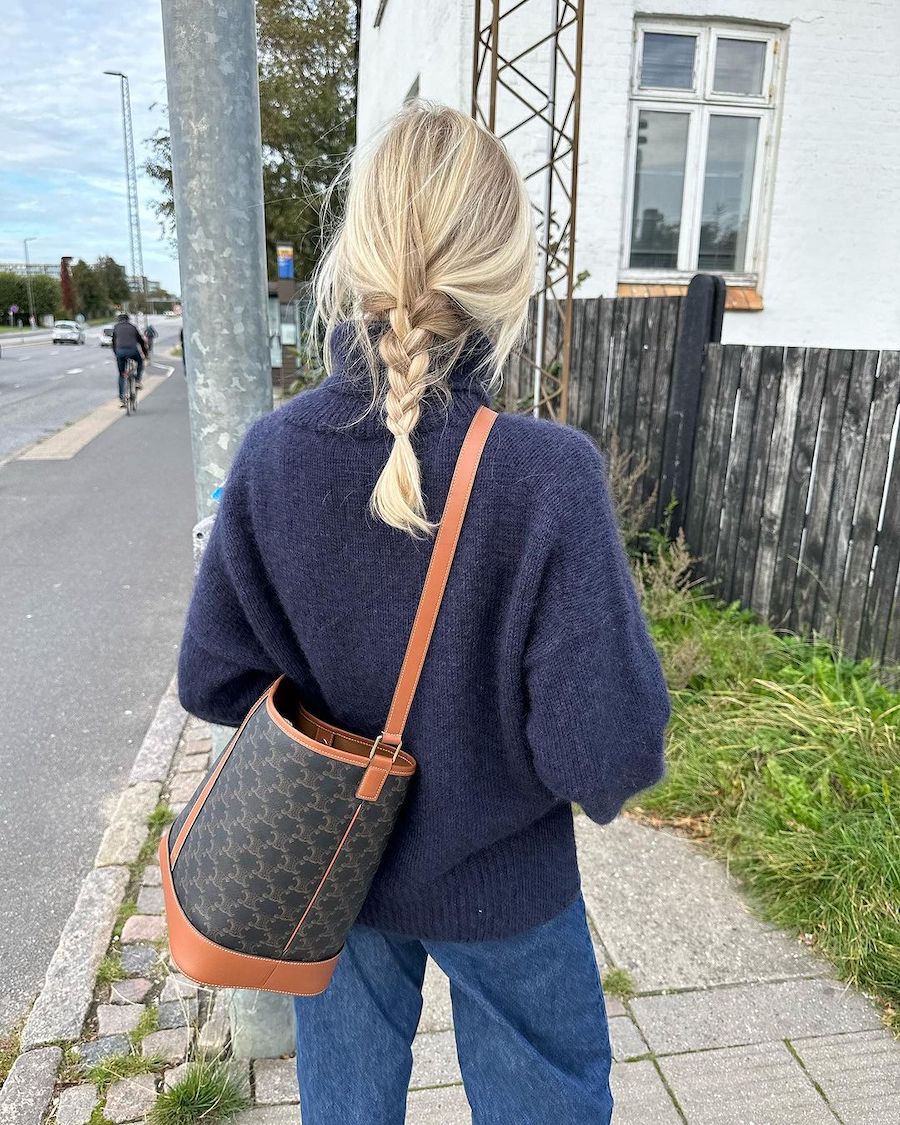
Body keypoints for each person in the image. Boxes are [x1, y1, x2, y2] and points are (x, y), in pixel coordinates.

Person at [177, 103, 669, 1125]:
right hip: (508, 884)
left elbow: (213, 679)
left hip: (333, 878)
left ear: (354, 251)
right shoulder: (548, 478)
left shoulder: (272, 456)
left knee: (345, 1107)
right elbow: (603, 751)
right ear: (507, 270)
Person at [111, 313, 148, 404]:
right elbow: (141, 341)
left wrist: (116, 354)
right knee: (140, 362)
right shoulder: (133, 327)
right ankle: (137, 380)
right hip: (133, 351)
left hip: (120, 352)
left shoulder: (116, 327)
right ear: (128, 320)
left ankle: (122, 397)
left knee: (121, 374)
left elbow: (113, 343)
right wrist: (145, 354)